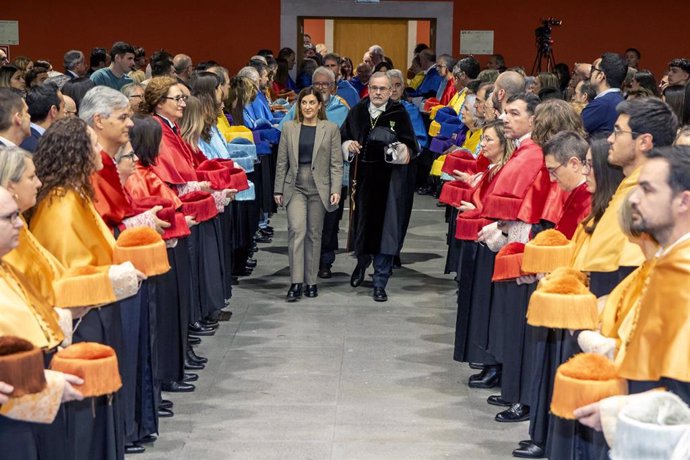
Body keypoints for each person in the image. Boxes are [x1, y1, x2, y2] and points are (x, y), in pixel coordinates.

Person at [31, 117, 143, 460]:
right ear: (77, 152)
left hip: (97, 311)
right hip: (83, 322)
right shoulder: (61, 206)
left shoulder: (73, 195)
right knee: (86, 416)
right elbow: (66, 281)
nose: (100, 150)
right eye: (93, 144)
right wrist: (119, 277)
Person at [575, 145, 690, 434]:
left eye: (648, 190)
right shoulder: (667, 262)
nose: (634, 199)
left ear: (683, 202)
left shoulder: (682, 270)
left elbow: (679, 391)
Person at [341, 72, 419, 302]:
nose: (377, 93)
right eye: (373, 88)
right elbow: (343, 138)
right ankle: (361, 264)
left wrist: (394, 150)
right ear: (368, 88)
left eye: (382, 89)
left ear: (390, 91)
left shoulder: (399, 112)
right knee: (362, 226)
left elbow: (412, 147)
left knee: (387, 231)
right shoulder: (357, 111)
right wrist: (349, 146)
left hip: (390, 183)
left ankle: (380, 280)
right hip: (362, 181)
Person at [273, 87, 343, 301]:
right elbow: (282, 161)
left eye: (312, 103)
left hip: (319, 188)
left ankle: (311, 282)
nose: (308, 107)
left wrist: (336, 189)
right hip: (295, 186)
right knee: (297, 231)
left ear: (320, 106)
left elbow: (336, 163)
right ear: (298, 105)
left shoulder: (330, 129)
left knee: (314, 234)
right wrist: (278, 189)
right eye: (304, 103)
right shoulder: (289, 128)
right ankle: (295, 282)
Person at [582, 52, 627, 136]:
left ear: (600, 76)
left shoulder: (601, 105)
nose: (590, 74)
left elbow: (571, 132)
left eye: (593, 69)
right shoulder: (620, 99)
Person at [19, 83, 65, 152]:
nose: (65, 111)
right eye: (63, 106)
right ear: (54, 111)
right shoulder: (33, 147)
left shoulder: (32, 138)